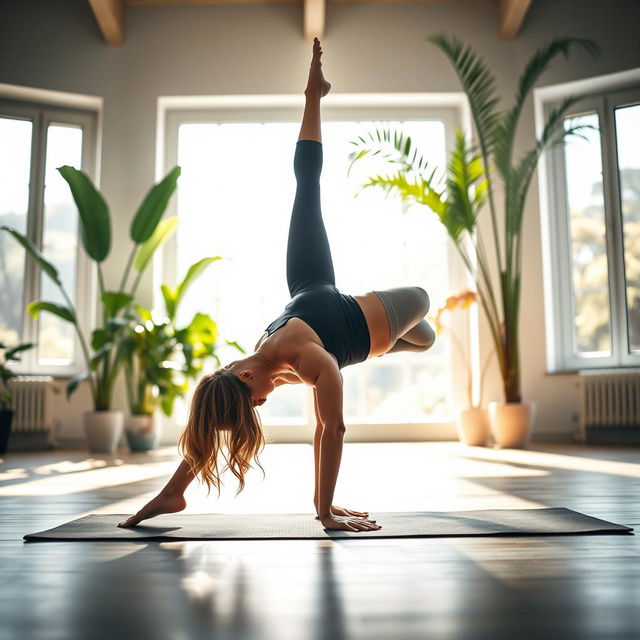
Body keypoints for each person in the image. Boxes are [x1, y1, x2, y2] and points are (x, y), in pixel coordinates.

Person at [118, 38, 435, 533]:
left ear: (245, 380)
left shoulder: (305, 363)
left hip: (349, 306)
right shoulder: (240, 373)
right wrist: (173, 489)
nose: (262, 404)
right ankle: (171, 494)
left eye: (254, 403)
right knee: (424, 337)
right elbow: (212, 420)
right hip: (318, 292)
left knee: (422, 306)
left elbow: (332, 428)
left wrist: (325, 510)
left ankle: (314, 95)